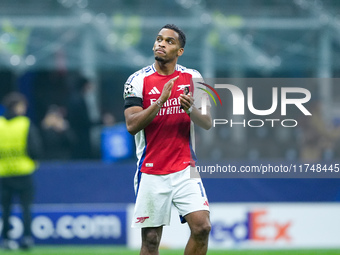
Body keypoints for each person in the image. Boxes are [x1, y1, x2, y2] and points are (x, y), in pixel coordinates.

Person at [123, 24, 212, 255]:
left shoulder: (193, 77)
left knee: (202, 227)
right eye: (159, 39)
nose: (161, 43)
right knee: (151, 239)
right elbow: (132, 126)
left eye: (169, 41)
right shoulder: (137, 81)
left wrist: (191, 109)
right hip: (151, 170)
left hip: (184, 169)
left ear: (180, 51)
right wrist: (160, 101)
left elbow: (207, 122)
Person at [0, 92, 42, 250]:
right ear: (16, 107)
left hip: (4, 172)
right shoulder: (24, 123)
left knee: (5, 209)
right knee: (26, 207)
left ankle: (6, 240)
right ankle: (26, 238)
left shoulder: (0, 124)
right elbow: (34, 147)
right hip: (23, 171)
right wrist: (34, 159)